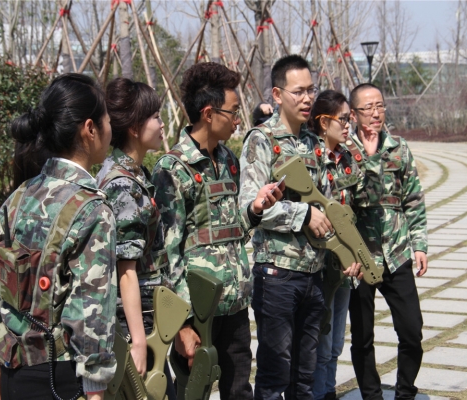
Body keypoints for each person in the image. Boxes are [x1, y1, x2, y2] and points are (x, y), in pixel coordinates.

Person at [152, 62, 283, 400]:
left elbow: (232, 231)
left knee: (239, 390)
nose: (239, 120)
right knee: (193, 392)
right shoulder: (172, 170)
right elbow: (167, 254)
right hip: (197, 310)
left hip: (235, 302)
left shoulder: (228, 160)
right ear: (209, 114)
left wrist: (255, 209)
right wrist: (181, 324)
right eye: (234, 111)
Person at [0, 73, 117, 400]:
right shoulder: (92, 210)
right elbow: (91, 310)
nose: (111, 128)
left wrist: (2, 362)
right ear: (90, 129)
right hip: (62, 379)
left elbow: (1, 290)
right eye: (108, 120)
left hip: (16, 374)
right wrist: (95, 389)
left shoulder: (18, 198)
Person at [239, 55, 361, 400]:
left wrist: (348, 252)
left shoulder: (313, 142)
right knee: (274, 374)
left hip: (314, 274)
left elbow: (328, 206)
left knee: (305, 377)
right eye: (298, 91)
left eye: (311, 90)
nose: (308, 98)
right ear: (277, 95)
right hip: (277, 275)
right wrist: (303, 214)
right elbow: (249, 207)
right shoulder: (262, 140)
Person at [95, 77, 177, 398]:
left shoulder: (131, 173)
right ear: (133, 128)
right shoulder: (123, 185)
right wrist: (140, 341)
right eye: (155, 117)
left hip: (141, 315)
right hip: (134, 320)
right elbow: (125, 270)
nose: (162, 123)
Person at [347, 83, 428, 400]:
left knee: (412, 331)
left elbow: (413, 200)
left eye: (379, 106)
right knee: (362, 337)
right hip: (359, 256)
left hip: (396, 253)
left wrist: (419, 245)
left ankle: (405, 392)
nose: (376, 113)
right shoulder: (343, 151)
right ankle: (371, 395)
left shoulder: (399, 148)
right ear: (353, 114)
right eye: (368, 108)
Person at [309, 90, 359, 400]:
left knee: (337, 341)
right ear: (324, 122)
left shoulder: (348, 158)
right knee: (322, 339)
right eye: (343, 119)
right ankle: (320, 394)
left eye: (350, 119)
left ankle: (328, 390)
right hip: (319, 264)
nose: (348, 125)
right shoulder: (310, 158)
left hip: (346, 265)